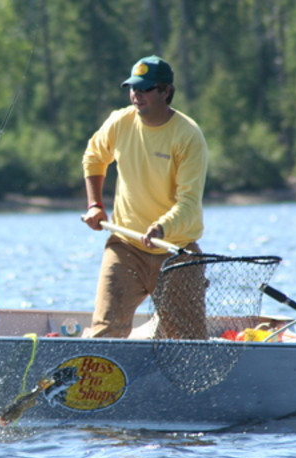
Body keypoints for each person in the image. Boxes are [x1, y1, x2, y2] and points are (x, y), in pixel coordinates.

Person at [80, 55, 208, 338]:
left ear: (165, 91)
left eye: (145, 89)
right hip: (126, 246)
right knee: (106, 331)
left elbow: (188, 202)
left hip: (177, 251)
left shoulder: (188, 135)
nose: (136, 95)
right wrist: (95, 205)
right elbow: (93, 157)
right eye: (133, 88)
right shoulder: (119, 121)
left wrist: (161, 226)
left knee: (189, 343)